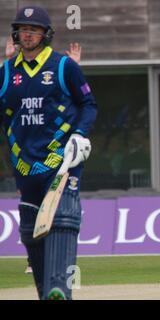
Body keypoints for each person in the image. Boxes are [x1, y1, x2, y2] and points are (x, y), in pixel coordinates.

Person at [0, 6, 97, 298]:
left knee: (63, 220)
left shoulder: (63, 66)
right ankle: (47, 292)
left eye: (34, 29)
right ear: (16, 34)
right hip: (25, 165)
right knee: (31, 232)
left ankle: (60, 290)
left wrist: (79, 134)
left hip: (63, 159)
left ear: (45, 34)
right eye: (23, 29)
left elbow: (88, 104)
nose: (27, 34)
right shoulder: (6, 72)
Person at [5, 36, 83, 276]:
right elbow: (11, 94)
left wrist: (76, 66)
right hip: (26, 157)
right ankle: (33, 261)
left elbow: (75, 98)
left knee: (59, 214)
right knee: (33, 212)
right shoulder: (12, 71)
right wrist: (7, 60)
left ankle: (62, 262)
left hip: (53, 157)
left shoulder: (57, 68)